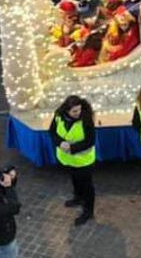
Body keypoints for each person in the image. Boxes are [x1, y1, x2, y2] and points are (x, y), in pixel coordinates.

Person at [49, 95, 96, 225]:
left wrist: (72, 147)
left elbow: (90, 141)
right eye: (74, 111)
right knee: (75, 180)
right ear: (67, 110)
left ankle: (88, 211)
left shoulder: (86, 120)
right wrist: (59, 143)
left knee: (87, 186)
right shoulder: (58, 116)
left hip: (83, 161)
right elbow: (52, 132)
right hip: (68, 159)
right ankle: (78, 198)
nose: (78, 113)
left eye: (79, 110)